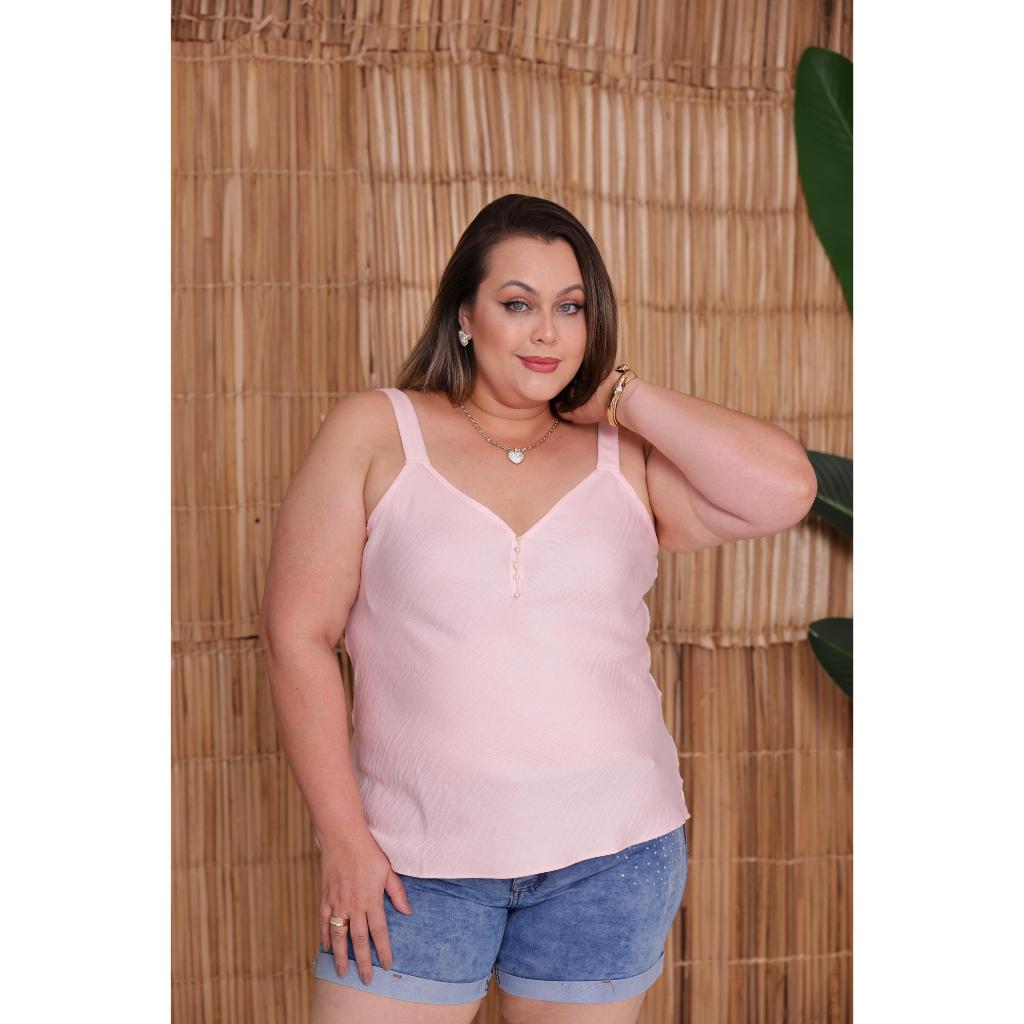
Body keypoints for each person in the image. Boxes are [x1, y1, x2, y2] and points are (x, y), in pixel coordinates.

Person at [259, 194, 817, 1024]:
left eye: (571, 308)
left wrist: (620, 396)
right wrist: (342, 837)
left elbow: (788, 490)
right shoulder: (376, 431)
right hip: (411, 865)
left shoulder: (623, 457)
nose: (546, 333)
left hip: (613, 856)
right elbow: (297, 637)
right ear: (464, 316)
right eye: (517, 304)